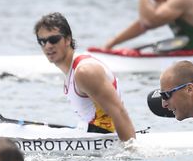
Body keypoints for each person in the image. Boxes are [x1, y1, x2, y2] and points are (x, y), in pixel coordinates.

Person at [34, 12, 136, 142]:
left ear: (68, 39)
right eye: (42, 41)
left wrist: (132, 151)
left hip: (109, 144)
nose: (48, 45)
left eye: (53, 39)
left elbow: (119, 113)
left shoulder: (85, 71)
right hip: (93, 137)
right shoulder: (71, 73)